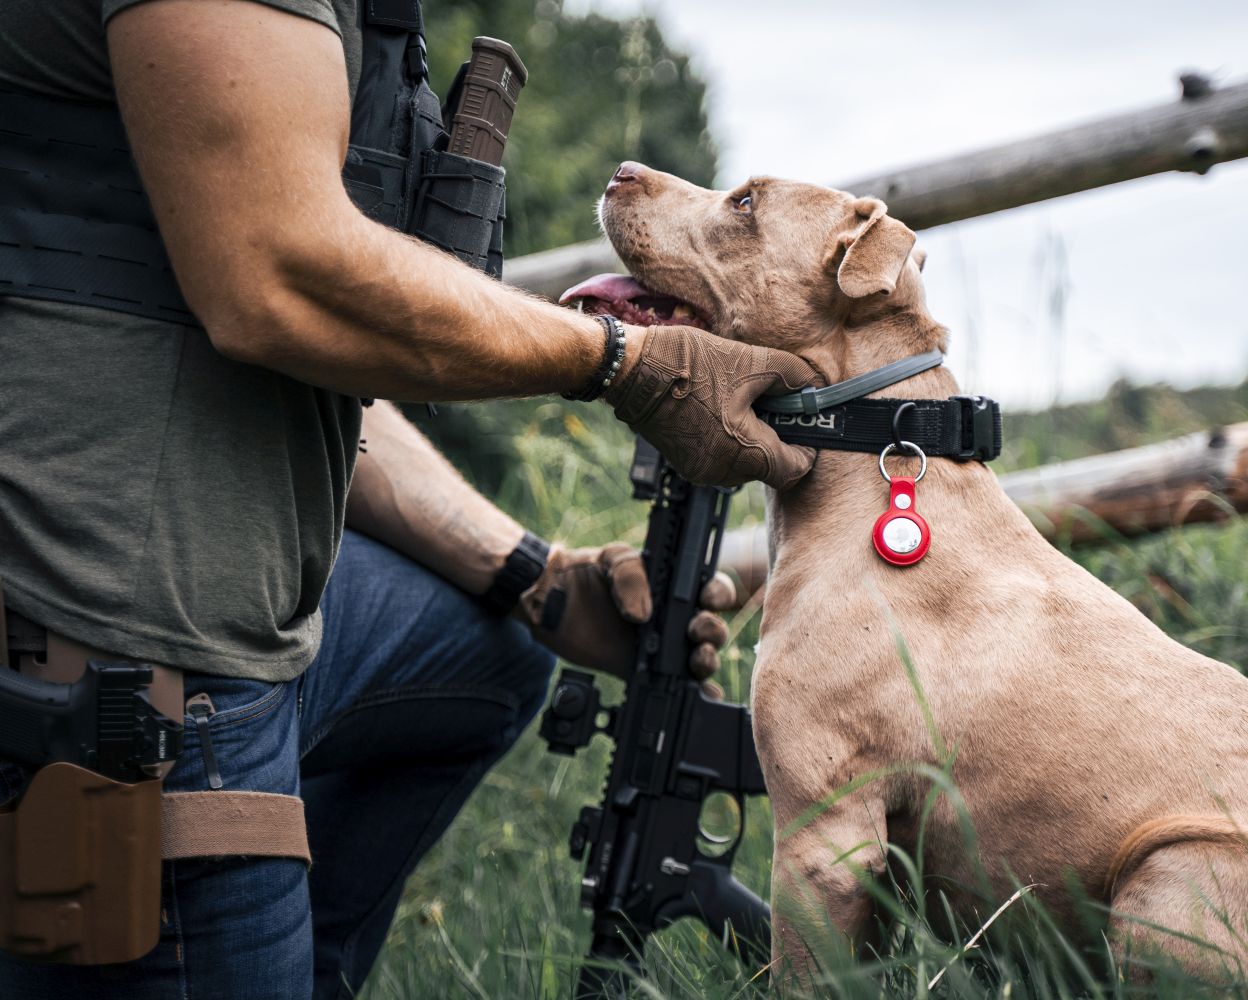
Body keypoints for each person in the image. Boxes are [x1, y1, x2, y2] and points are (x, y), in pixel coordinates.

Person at [0, 0, 819, 996]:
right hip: (123, 647)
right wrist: (627, 362)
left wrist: (537, 577)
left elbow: (303, 364)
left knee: (484, 646)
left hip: (234, 597)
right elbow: (279, 274)